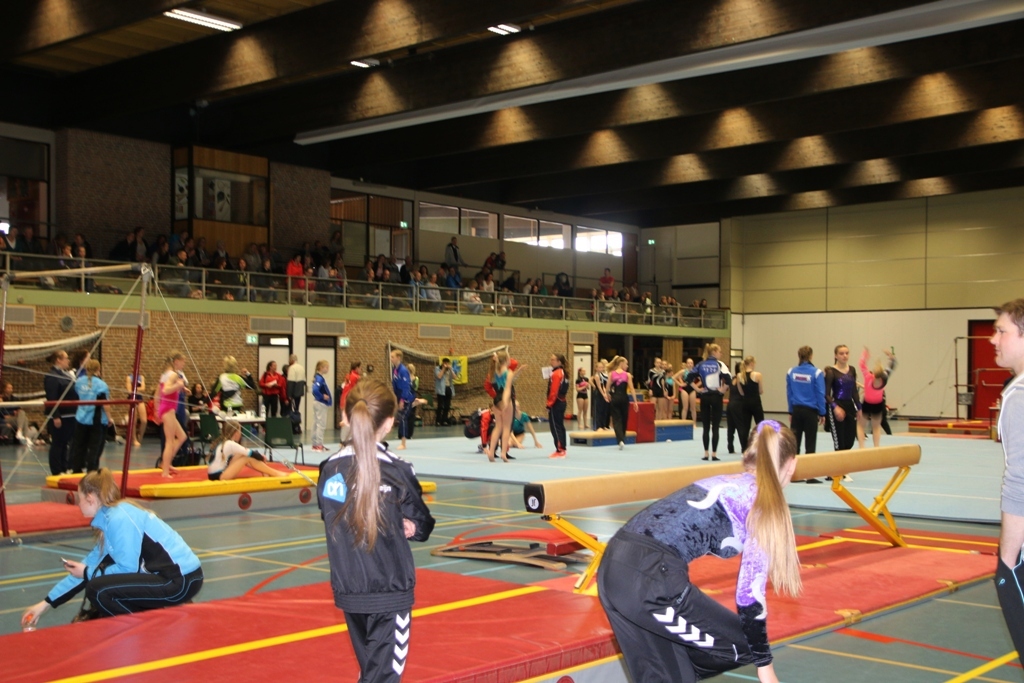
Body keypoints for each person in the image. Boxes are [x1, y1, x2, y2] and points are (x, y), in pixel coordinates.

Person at [597, 420, 802, 683]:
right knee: (745, 644)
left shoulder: (723, 480)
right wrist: (765, 667)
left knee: (668, 675)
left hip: (611, 568)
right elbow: (749, 595)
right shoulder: (761, 502)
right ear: (792, 464)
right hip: (651, 581)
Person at [318, 378, 435, 682]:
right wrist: (410, 526)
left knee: (372, 674)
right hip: (389, 592)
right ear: (390, 423)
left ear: (345, 418)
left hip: (350, 589)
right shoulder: (397, 469)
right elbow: (423, 525)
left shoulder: (329, 468)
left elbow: (330, 516)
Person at [21, 468, 203, 627]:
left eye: (80, 498)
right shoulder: (110, 520)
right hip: (176, 578)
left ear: (90, 499)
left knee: (98, 590)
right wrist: (44, 604)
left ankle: (147, 629)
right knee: (98, 582)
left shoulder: (119, 519)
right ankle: (151, 621)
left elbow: (127, 568)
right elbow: (84, 570)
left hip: (180, 581)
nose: (78, 504)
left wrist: (87, 573)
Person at [991, 299, 1024, 660]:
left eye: (1002, 331)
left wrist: (1008, 560)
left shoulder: (1019, 395)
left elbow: (1020, 483)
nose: (993, 339)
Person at [786, 346, 827, 484]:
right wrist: (822, 412)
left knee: (795, 443)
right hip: (810, 412)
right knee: (810, 443)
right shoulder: (817, 373)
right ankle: (809, 475)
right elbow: (820, 393)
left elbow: (789, 393)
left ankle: (794, 474)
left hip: (797, 410)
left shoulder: (791, 372)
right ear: (811, 356)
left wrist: (791, 411)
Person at [71, 360, 114, 473]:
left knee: (79, 445)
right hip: (96, 418)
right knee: (95, 446)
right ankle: (92, 470)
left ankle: (77, 469)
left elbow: (77, 396)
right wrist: (109, 417)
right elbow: (105, 403)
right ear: (98, 369)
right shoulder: (101, 384)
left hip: (81, 417)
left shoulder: (79, 382)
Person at [208, 420, 288, 481]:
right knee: (246, 458)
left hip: (216, 475)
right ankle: (275, 473)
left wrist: (259, 458)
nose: (240, 433)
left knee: (241, 455)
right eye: (240, 431)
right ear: (236, 432)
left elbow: (247, 453)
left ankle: (266, 472)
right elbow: (251, 453)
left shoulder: (224, 442)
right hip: (220, 476)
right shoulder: (230, 444)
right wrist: (261, 457)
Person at [485, 351, 526, 462]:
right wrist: (505, 402)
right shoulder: (508, 372)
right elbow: (507, 389)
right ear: (507, 360)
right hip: (505, 400)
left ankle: (491, 452)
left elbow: (508, 379)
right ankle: (503, 453)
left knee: (498, 427)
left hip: (496, 401)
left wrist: (519, 371)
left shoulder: (493, 373)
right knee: (507, 428)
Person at [695, 344, 731, 461]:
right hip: (716, 396)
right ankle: (714, 454)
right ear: (714, 352)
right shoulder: (720, 364)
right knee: (715, 427)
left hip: (704, 396)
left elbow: (689, 378)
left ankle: (706, 453)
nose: (721, 354)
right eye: (720, 351)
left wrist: (697, 389)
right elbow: (729, 379)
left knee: (706, 427)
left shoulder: (701, 364)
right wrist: (723, 389)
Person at [45, 350, 78, 475]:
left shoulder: (65, 374)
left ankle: (64, 467)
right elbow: (51, 397)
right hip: (60, 415)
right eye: (66, 358)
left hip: (70, 414)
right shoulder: (52, 376)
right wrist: (56, 416)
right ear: (58, 360)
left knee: (65, 444)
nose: (68, 361)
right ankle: (57, 470)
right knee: (58, 443)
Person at [857, 347, 897, 448]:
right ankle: (876, 447)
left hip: (867, 403)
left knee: (860, 426)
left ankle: (861, 447)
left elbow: (861, 364)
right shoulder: (884, 379)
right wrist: (891, 357)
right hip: (878, 404)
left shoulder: (868, 377)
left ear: (873, 374)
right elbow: (892, 366)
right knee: (876, 427)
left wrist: (865, 354)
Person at [158, 352, 188, 478]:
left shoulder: (165, 374)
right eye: (183, 361)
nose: (184, 364)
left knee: (182, 436)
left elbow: (162, 390)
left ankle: (167, 462)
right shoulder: (173, 374)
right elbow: (165, 390)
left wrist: (182, 388)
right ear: (176, 361)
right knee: (169, 441)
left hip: (167, 409)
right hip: (168, 409)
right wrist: (178, 385)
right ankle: (165, 471)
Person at [825, 344, 859, 452]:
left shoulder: (852, 370)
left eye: (847, 353)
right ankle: (838, 461)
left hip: (850, 406)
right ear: (836, 356)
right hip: (837, 405)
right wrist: (835, 407)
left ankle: (844, 461)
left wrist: (860, 408)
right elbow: (826, 394)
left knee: (850, 441)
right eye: (841, 353)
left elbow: (854, 391)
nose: (845, 356)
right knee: (840, 443)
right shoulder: (831, 372)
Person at [604, 356, 639, 450]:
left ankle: (620, 440)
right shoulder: (627, 375)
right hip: (624, 398)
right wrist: (635, 401)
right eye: (626, 364)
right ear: (621, 363)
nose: (627, 366)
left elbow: (607, 387)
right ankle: (621, 438)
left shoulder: (611, 374)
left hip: (615, 398)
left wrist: (607, 395)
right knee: (624, 419)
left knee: (617, 420)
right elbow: (632, 389)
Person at [736, 356, 765, 453]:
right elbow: (760, 391)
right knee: (760, 425)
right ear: (752, 363)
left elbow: (741, 392)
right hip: (756, 402)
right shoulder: (757, 375)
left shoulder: (739, 376)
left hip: (745, 402)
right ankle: (762, 447)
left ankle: (744, 449)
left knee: (745, 427)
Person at [391, 350, 416, 450]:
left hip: (406, 396)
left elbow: (406, 387)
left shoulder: (403, 371)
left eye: (392, 357)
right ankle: (415, 402)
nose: (391, 359)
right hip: (399, 395)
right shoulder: (395, 369)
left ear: (398, 358)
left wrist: (402, 400)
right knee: (400, 417)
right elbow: (395, 384)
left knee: (403, 418)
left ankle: (403, 443)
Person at [547, 354, 569, 458]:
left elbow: (554, 391)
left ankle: (560, 449)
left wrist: (549, 404)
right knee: (560, 425)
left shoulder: (557, 374)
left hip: (556, 402)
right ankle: (562, 448)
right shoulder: (563, 372)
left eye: (553, 360)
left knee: (555, 426)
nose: (551, 361)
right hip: (561, 401)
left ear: (559, 362)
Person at [311, 360, 332, 452]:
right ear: (321, 368)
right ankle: (319, 444)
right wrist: (322, 396)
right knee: (321, 424)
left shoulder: (317, 377)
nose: (327, 369)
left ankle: (315, 444)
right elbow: (315, 390)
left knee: (316, 423)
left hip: (317, 402)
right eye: (326, 367)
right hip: (321, 403)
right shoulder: (319, 378)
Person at [672, 358, 699, 423]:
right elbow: (673, 377)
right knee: (685, 408)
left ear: (693, 364)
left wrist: (696, 386)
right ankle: (683, 423)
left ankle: (694, 423)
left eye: (691, 363)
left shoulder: (695, 372)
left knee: (693, 408)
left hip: (692, 389)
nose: (690, 364)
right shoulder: (683, 371)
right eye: (688, 363)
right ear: (686, 364)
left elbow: (702, 380)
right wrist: (680, 384)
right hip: (684, 389)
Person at [124, 371, 147, 448]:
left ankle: (140, 436)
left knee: (144, 420)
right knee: (133, 420)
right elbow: (129, 390)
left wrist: (134, 388)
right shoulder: (129, 377)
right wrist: (137, 389)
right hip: (131, 398)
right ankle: (134, 439)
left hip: (139, 398)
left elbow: (143, 388)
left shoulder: (141, 377)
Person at [591, 359, 611, 431]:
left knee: (603, 409)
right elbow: (599, 387)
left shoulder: (602, 375)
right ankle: (597, 426)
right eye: (599, 367)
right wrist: (603, 394)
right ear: (596, 368)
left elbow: (603, 386)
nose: (601, 369)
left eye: (602, 367)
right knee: (598, 410)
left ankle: (603, 425)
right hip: (598, 393)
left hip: (602, 392)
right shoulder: (596, 376)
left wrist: (605, 393)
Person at [435, 358, 455, 426]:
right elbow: (439, 376)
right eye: (445, 363)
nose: (446, 364)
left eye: (447, 363)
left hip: (448, 388)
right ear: (442, 363)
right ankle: (438, 421)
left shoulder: (449, 370)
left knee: (447, 406)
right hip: (441, 389)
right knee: (440, 406)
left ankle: (444, 420)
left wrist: (451, 369)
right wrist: (443, 369)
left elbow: (455, 377)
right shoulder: (437, 368)